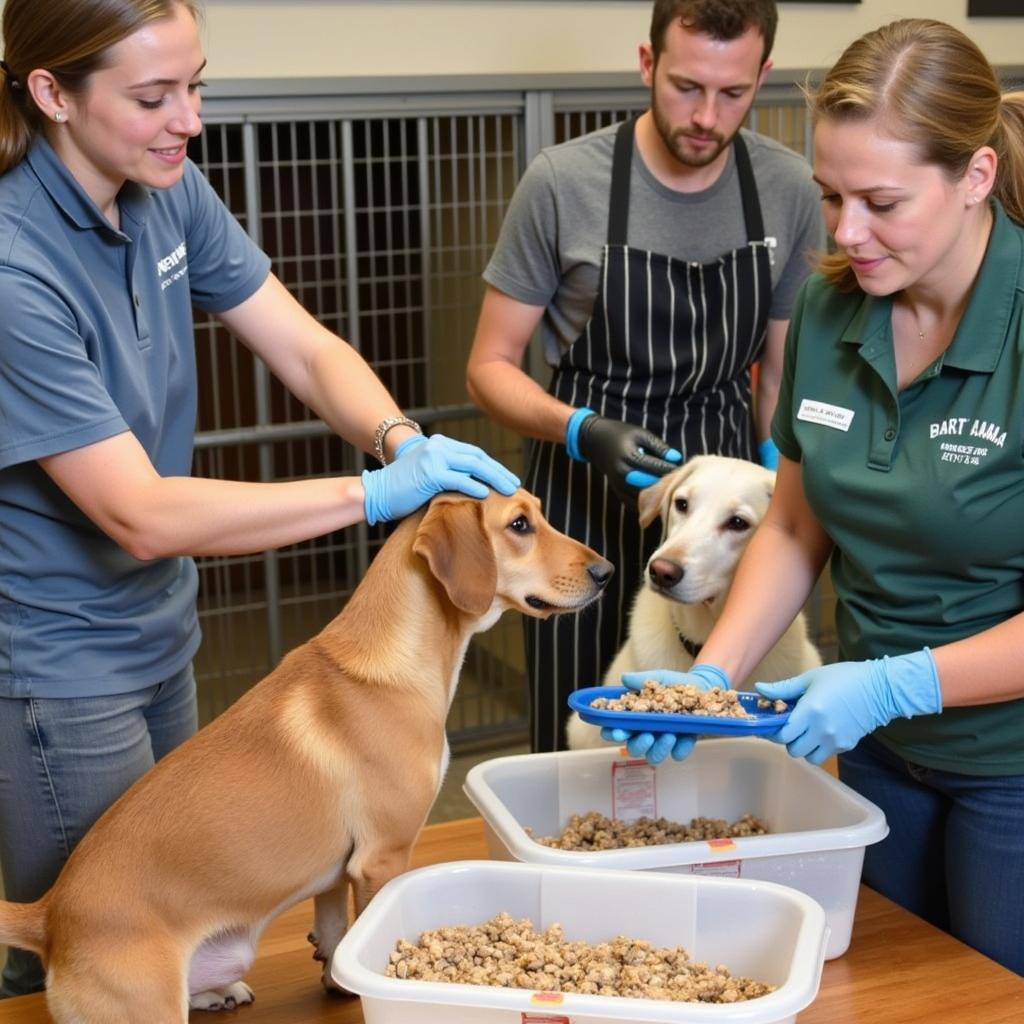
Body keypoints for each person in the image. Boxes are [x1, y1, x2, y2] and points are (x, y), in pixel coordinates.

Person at [0, 0, 519, 998]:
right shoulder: (16, 266)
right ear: (52, 94)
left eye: (195, 85)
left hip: (161, 630)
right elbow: (137, 512)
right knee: (95, 935)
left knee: (189, 915)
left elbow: (303, 346)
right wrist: (371, 495)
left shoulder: (165, 188)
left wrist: (400, 438)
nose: (188, 119)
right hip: (59, 670)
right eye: (154, 96)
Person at [604, 18, 1024, 976]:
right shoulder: (837, 306)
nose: (845, 232)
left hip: (1012, 765)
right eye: (831, 196)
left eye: (880, 201)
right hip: (879, 754)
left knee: (986, 990)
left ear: (976, 178)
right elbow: (795, 522)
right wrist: (712, 675)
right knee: (877, 980)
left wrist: (896, 679)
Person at [466, 0, 824, 752]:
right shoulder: (563, 183)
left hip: (721, 493)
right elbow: (488, 368)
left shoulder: (789, 190)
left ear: (762, 76)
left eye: (733, 94)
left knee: (717, 728)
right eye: (686, 86)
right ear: (646, 63)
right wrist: (577, 427)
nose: (706, 115)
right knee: (581, 733)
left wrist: (777, 486)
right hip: (583, 483)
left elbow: (781, 380)